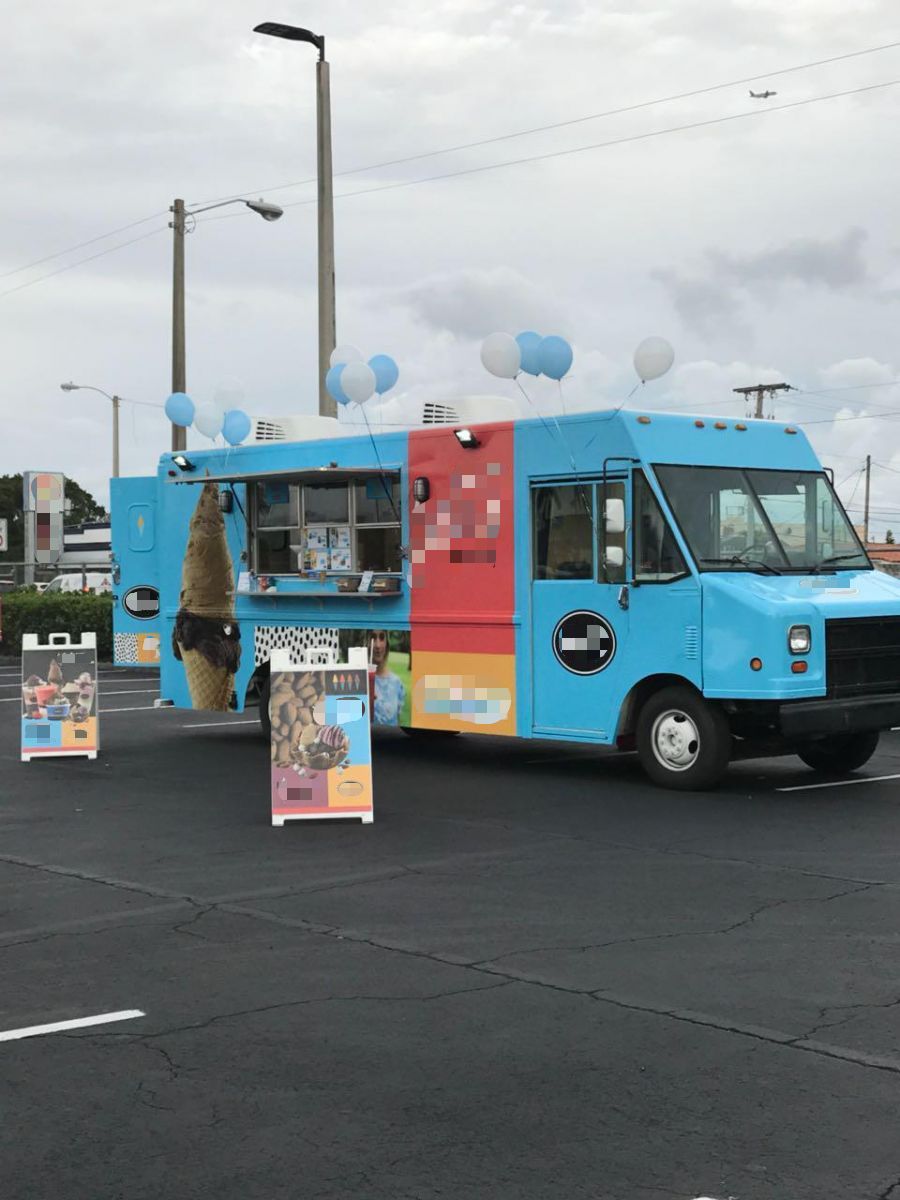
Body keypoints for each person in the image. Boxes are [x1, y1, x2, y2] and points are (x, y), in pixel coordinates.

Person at [368, 630, 405, 726]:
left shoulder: (397, 683)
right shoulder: (360, 680)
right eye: (373, 637)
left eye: (381, 637)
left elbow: (397, 723)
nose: (377, 645)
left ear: (387, 644)